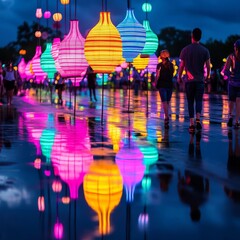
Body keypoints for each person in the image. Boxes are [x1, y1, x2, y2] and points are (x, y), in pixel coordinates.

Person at [177, 28, 211, 133]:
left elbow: (181, 66)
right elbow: (208, 66)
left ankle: (191, 124)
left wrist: (179, 76)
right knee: (199, 100)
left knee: (190, 101)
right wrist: (208, 76)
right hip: (200, 80)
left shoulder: (185, 50)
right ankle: (198, 119)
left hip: (189, 81)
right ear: (200, 37)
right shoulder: (205, 50)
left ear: (192, 36)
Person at [221, 39, 240, 128]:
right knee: (239, 101)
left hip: (232, 82)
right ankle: (237, 121)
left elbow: (226, 69)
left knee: (231, 101)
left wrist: (227, 75)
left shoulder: (231, 56)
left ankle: (230, 116)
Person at [155, 50, 174, 129]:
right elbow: (172, 75)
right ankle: (166, 116)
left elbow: (157, 76)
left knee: (164, 101)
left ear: (162, 56)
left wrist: (155, 83)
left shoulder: (159, 65)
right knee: (167, 102)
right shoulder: (171, 65)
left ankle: (166, 117)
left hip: (162, 84)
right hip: (169, 85)